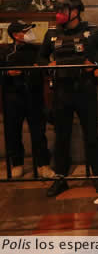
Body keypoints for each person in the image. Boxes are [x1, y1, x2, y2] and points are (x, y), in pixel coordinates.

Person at [38, 0, 98, 196]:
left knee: (91, 136)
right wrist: (48, 64)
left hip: (86, 91)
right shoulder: (51, 34)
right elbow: (41, 57)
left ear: (76, 11)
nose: (59, 14)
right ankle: (60, 179)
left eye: (63, 9)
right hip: (62, 91)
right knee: (61, 137)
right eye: (58, 10)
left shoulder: (93, 32)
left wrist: (94, 63)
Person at [1, 21, 54, 179]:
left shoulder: (37, 50)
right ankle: (17, 164)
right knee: (13, 131)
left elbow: (46, 67)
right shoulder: (5, 52)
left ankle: (43, 164)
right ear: (16, 35)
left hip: (34, 95)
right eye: (26, 31)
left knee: (38, 131)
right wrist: (8, 74)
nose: (30, 33)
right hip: (13, 96)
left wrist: (42, 68)